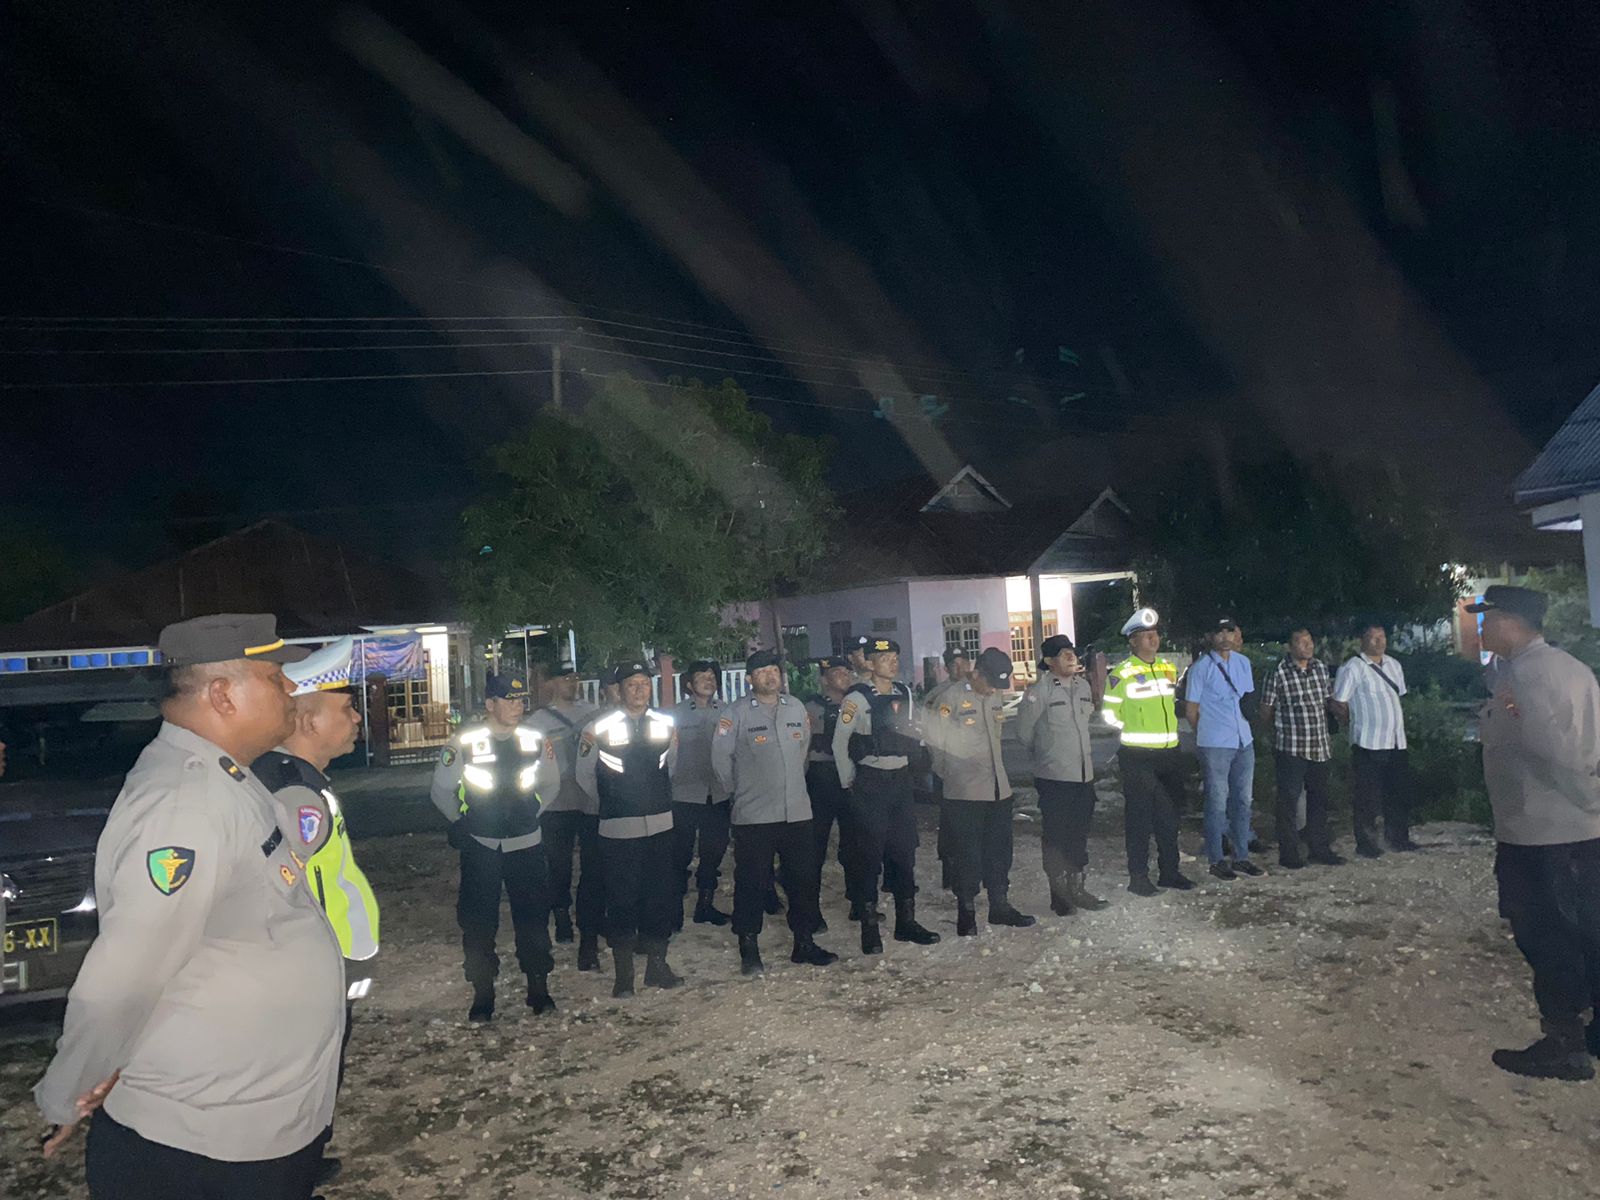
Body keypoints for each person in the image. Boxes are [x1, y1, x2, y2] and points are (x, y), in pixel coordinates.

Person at [34, 614, 343, 1199]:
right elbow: (125, 974)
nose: (290, 689)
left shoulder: (229, 777)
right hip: (200, 1146)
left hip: (244, 1122)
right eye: (274, 677)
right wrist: (69, 1093)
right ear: (223, 694)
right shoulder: (184, 803)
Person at [252, 636, 379, 1191]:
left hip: (325, 965)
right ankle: (288, 1174)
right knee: (299, 1082)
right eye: (345, 708)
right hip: (309, 970)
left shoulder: (304, 781)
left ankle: (302, 1160)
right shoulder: (291, 791)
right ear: (306, 720)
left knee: (318, 1077)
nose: (356, 718)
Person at [1470, 585, 1600, 1080]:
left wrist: (1584, 799)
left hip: (1543, 833)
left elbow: (1557, 753)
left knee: (1547, 937)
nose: (1482, 629)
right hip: (1576, 830)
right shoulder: (1569, 668)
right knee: (1588, 931)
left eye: (1487, 620)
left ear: (1510, 621)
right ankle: (1593, 1032)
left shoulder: (1529, 675)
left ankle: (1565, 1043)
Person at [429, 670, 557, 1022]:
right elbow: (441, 790)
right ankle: (483, 993)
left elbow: (551, 784)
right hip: (482, 845)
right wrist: (462, 822)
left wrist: (530, 814)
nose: (517, 706)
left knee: (533, 918)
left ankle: (538, 987)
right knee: (478, 922)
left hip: (526, 843)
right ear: (490, 704)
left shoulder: (535, 738)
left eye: (521, 700)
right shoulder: (465, 741)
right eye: (509, 699)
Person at [712, 649, 837, 975]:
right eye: (762, 672)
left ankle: (804, 943)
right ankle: (749, 947)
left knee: (803, 879)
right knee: (751, 882)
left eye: (774, 671)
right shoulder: (735, 714)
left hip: (796, 811)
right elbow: (721, 761)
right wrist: (739, 792)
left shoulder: (795, 707)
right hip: (755, 814)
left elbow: (803, 752)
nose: (770, 676)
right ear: (750, 679)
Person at [576, 661, 683, 997]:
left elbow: (671, 767)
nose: (639, 690)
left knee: (660, 898)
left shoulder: (665, 724)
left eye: (644, 683)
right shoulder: (597, 728)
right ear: (619, 691)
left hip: (660, 825)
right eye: (632, 684)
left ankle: (657, 967)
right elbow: (584, 776)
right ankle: (624, 976)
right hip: (619, 829)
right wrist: (614, 803)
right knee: (621, 901)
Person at [832, 637, 941, 953]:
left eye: (895, 657)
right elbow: (840, 743)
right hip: (871, 783)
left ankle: (906, 922)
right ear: (869, 663)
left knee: (904, 853)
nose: (892, 662)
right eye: (884, 658)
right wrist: (848, 783)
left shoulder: (904, 692)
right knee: (869, 856)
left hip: (901, 783)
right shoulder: (857, 698)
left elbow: (915, 731)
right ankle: (869, 928)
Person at [929, 647, 1036, 935]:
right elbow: (935, 744)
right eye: (990, 683)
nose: (993, 690)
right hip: (964, 792)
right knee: (967, 854)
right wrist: (952, 776)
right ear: (976, 673)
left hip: (998, 789)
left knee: (999, 851)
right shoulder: (950, 699)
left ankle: (999, 905)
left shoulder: (995, 695)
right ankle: (966, 911)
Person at [1103, 608, 1195, 896]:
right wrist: (1133, 728)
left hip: (1169, 754)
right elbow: (1108, 715)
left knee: (1169, 817)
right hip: (1138, 755)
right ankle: (1138, 877)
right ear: (1133, 641)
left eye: (1155, 634)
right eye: (1146, 636)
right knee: (1140, 819)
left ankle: (1170, 872)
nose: (1153, 639)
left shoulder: (1168, 668)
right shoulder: (1121, 674)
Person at [1017, 634, 1108, 915]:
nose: (1071, 657)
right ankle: (1059, 896)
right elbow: (1024, 733)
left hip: (1083, 776)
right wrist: (1048, 754)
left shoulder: (1083, 686)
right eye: (1063, 654)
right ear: (1049, 661)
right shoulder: (1039, 691)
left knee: (1078, 834)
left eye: (1072, 652)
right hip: (1054, 777)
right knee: (1056, 836)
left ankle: (1077, 888)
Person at [527, 662, 603, 971]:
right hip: (556, 804)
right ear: (552, 683)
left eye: (575, 677)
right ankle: (560, 914)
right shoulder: (537, 723)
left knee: (593, 868)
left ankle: (591, 924)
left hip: (589, 801)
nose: (572, 682)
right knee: (558, 866)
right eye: (566, 678)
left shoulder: (594, 714)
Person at [1183, 618, 1263, 880]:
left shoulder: (1243, 663)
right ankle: (1216, 859)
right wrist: (1206, 734)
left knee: (1243, 801)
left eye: (1230, 631)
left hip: (1243, 740)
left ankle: (1241, 857)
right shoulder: (1201, 668)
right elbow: (1191, 710)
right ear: (1210, 636)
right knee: (1217, 803)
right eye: (1220, 632)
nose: (1226, 636)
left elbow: (1248, 700)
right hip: (1215, 743)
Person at [1330, 621, 1419, 855]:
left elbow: (1398, 695)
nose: (1379, 642)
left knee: (1397, 792)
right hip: (1368, 741)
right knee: (1367, 796)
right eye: (1373, 637)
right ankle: (1366, 843)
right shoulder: (1353, 667)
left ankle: (1397, 838)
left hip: (1396, 740)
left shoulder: (1394, 665)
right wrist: (1351, 721)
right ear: (1362, 640)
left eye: (1382, 637)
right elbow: (1339, 701)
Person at [1258, 629, 1344, 869]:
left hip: (1319, 745)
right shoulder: (1278, 672)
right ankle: (1289, 854)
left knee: (1319, 800)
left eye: (1310, 641)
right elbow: (1266, 710)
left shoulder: (1320, 668)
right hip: (1291, 746)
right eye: (1301, 642)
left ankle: (1319, 848)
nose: (1308, 645)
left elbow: (1327, 699)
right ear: (1290, 646)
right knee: (1288, 802)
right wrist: (1274, 735)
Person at [669, 659, 734, 928]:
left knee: (714, 851)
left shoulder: (728, 712)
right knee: (679, 852)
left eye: (712, 677)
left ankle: (705, 905)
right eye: (702, 677)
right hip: (684, 793)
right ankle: (672, 909)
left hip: (717, 794)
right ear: (689, 684)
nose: (709, 681)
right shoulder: (675, 715)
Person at [803, 655, 855, 927]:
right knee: (815, 846)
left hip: (851, 778)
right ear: (824, 679)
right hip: (821, 778)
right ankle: (810, 909)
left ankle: (859, 902)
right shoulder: (810, 708)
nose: (845, 675)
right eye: (837, 672)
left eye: (847, 671)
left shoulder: (857, 703)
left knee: (855, 844)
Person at [925, 647, 972, 889]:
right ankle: (950, 870)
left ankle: (971, 870)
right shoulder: (938, 695)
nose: (960, 668)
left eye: (964, 662)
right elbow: (932, 734)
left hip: (974, 771)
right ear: (946, 668)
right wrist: (940, 765)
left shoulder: (978, 690)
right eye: (954, 664)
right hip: (948, 768)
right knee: (951, 821)